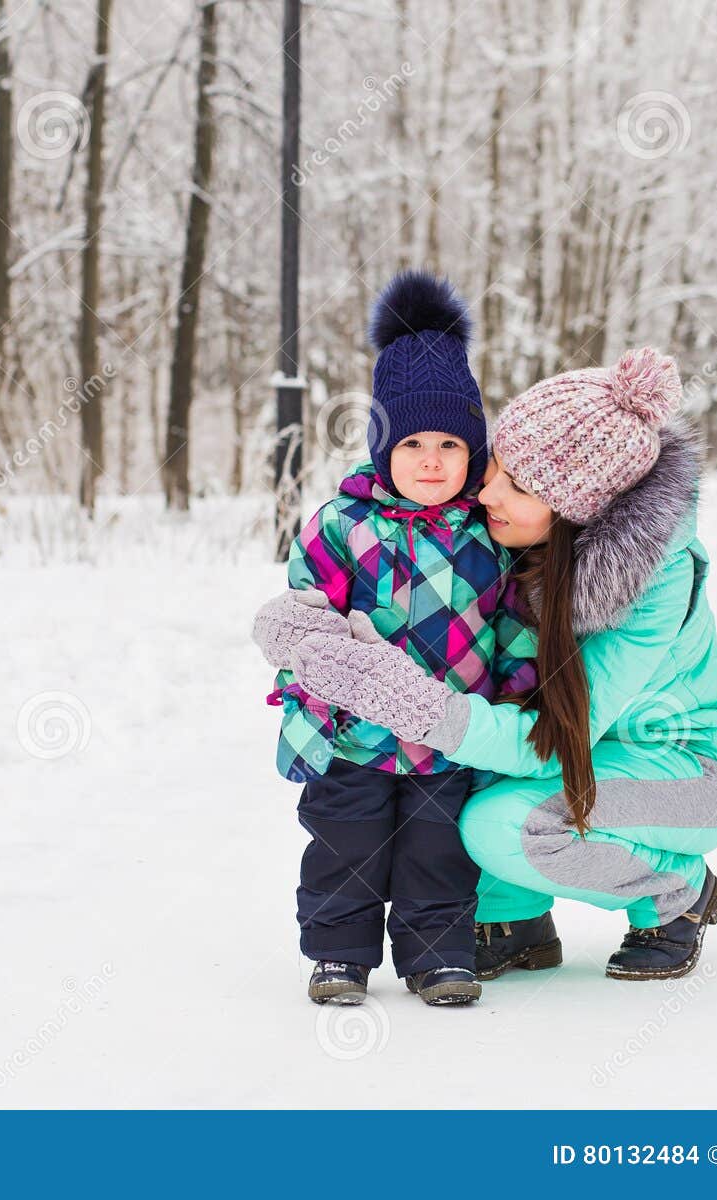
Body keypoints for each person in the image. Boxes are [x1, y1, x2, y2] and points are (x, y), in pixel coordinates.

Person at [272, 347, 717, 982]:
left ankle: (677, 894)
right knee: (467, 776)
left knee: (501, 823)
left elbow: (549, 742)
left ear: (576, 509)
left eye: (518, 486)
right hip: (597, 758)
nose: (484, 489)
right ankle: (514, 920)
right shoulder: (517, 535)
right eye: (496, 465)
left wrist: (418, 705)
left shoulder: (651, 588)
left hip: (686, 767)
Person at [254, 270, 535, 1007]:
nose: (433, 460)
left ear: (474, 450)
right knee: (344, 847)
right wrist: (316, 691)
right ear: (383, 447)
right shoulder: (342, 525)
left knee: (437, 853)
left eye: (450, 442)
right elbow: (306, 619)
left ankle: (438, 955)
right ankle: (339, 955)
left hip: (447, 733)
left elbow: (514, 625)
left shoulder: (489, 533)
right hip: (353, 736)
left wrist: (517, 692)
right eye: (413, 443)